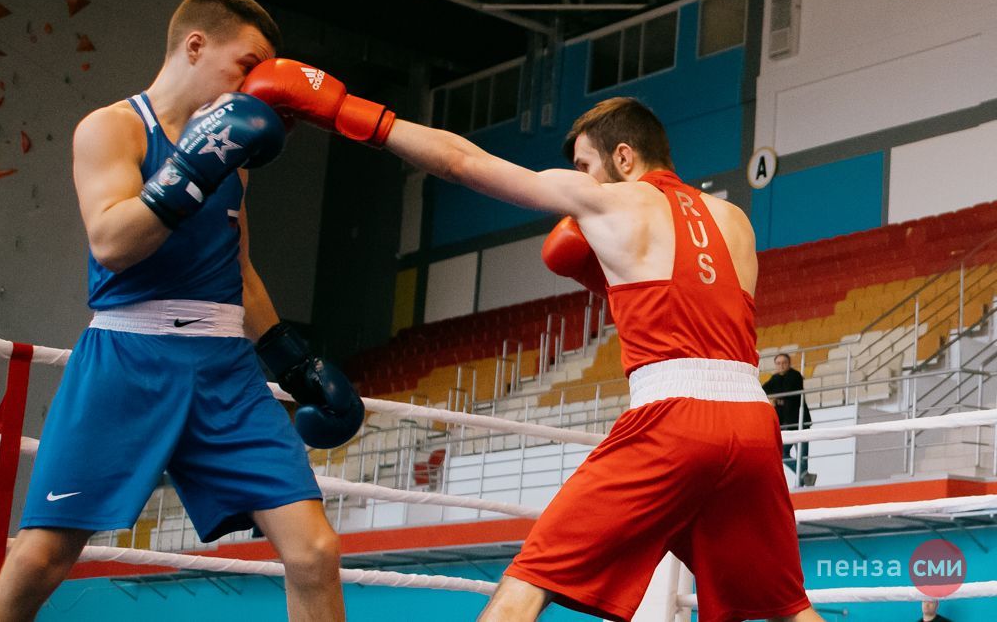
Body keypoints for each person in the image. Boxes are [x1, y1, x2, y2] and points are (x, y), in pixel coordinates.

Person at [239, 61, 824, 622]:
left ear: (624, 156)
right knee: (787, 609)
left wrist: (349, 112)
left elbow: (463, 162)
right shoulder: (735, 220)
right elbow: (700, 310)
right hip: (753, 424)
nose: (583, 177)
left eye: (586, 164)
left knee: (530, 582)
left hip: (673, 420)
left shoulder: (610, 199)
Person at [0, 0, 363, 622]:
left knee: (315, 552)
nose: (257, 87)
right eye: (247, 66)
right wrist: (195, 164)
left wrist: (291, 360)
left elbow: (239, 269)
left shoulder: (234, 156)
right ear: (196, 45)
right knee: (42, 558)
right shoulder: (111, 127)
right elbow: (112, 243)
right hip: (127, 357)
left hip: (224, 367)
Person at [763, 353, 816, 486]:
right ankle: (805, 477)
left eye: (784, 363)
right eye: (778, 363)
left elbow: (787, 392)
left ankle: (800, 484)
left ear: (789, 364)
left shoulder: (795, 376)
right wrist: (774, 398)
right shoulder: (775, 378)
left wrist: (775, 398)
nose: (781, 366)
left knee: (802, 456)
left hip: (800, 422)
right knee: (781, 453)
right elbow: (763, 390)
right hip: (786, 424)